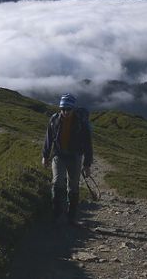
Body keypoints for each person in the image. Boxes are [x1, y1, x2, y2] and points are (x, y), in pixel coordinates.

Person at [41, 93, 93, 225]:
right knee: (57, 182)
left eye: (68, 109)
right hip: (58, 155)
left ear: (73, 109)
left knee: (73, 186)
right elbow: (48, 139)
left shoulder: (80, 122)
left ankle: (71, 216)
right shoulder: (54, 120)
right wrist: (45, 156)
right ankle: (56, 214)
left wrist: (87, 164)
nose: (65, 112)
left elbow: (88, 144)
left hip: (75, 156)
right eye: (63, 109)